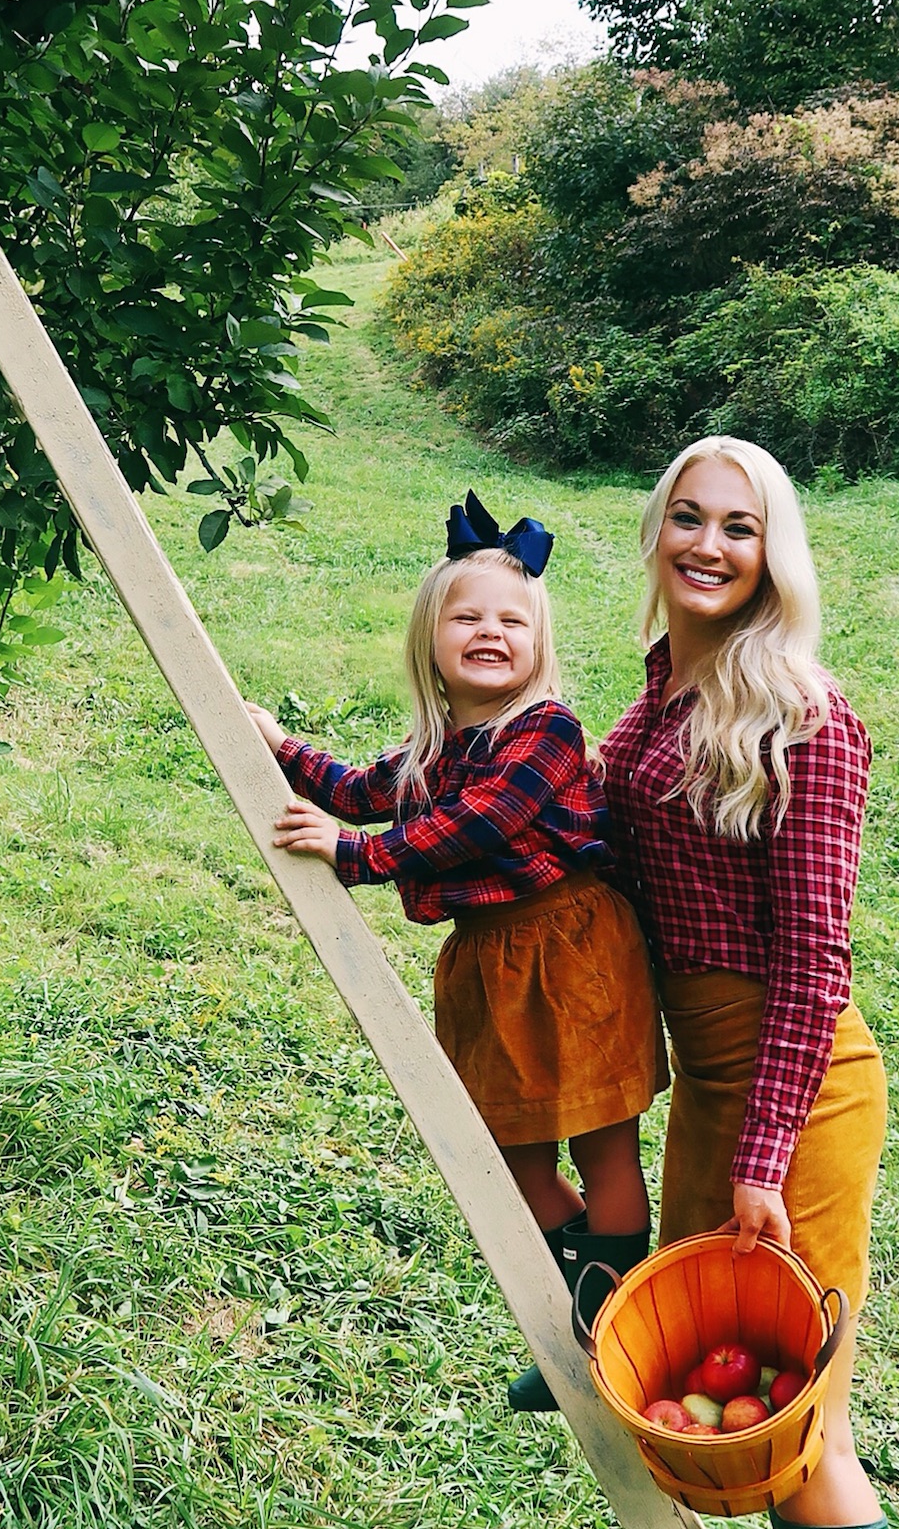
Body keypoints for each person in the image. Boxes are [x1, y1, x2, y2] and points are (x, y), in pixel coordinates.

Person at [599, 435, 899, 1529]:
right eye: (687, 518)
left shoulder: (806, 716)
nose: (709, 544)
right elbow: (571, 825)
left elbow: (814, 960)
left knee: (801, 1430)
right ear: (658, 531)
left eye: (740, 526)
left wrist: (767, 1147)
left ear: (775, 550)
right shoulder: (665, 688)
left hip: (795, 1096)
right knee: (705, 1379)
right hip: (714, 1095)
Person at [247, 490, 664, 1396]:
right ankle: (606, 1306)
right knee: (508, 1152)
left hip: (572, 946)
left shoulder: (544, 730)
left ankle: (612, 1334)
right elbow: (364, 788)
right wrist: (283, 749)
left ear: (539, 644)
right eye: (466, 615)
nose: (489, 631)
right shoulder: (436, 744)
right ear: (431, 638)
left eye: (512, 620)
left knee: (602, 1141)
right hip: (490, 963)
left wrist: (359, 858)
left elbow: (479, 824)